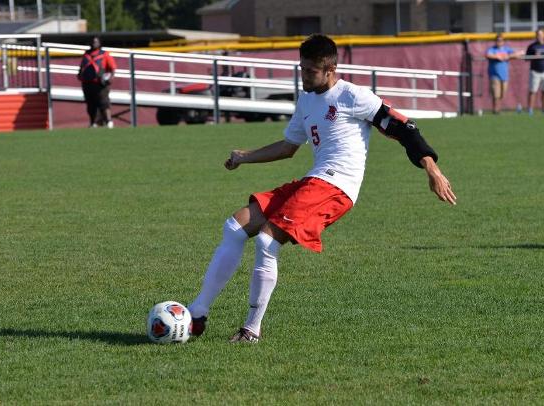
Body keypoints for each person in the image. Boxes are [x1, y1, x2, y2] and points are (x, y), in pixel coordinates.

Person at [187, 34, 456, 343]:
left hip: (337, 186)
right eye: (301, 69)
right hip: (314, 179)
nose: (304, 76)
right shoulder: (306, 100)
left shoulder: (353, 96)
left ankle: (251, 329)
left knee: (266, 240)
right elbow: (289, 147)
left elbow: (402, 128)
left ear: (331, 69)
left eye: (310, 71)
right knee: (235, 226)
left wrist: (431, 168)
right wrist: (245, 158)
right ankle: (197, 313)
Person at [77, 36, 116, 128]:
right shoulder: (86, 54)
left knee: (104, 103)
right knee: (90, 104)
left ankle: (109, 121)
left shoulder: (104, 54)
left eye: (96, 42)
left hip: (100, 83)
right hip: (87, 83)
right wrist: (79, 75)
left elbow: (112, 68)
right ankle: (93, 122)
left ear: (100, 43)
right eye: (92, 42)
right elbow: (82, 67)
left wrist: (110, 78)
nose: (94, 44)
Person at [485, 33, 519, 114]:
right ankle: (496, 110)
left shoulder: (506, 49)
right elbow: (487, 55)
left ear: (503, 42)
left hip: (504, 75)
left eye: (501, 40)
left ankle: (498, 109)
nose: (499, 42)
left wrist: (508, 56)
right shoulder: (492, 49)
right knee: (496, 94)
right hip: (494, 75)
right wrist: (497, 57)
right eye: (498, 40)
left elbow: (516, 54)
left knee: (502, 94)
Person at [525, 29, 544, 115]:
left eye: (541, 35)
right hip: (535, 71)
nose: (539, 36)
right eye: (537, 35)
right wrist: (534, 56)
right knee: (533, 91)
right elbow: (526, 58)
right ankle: (530, 109)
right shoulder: (532, 46)